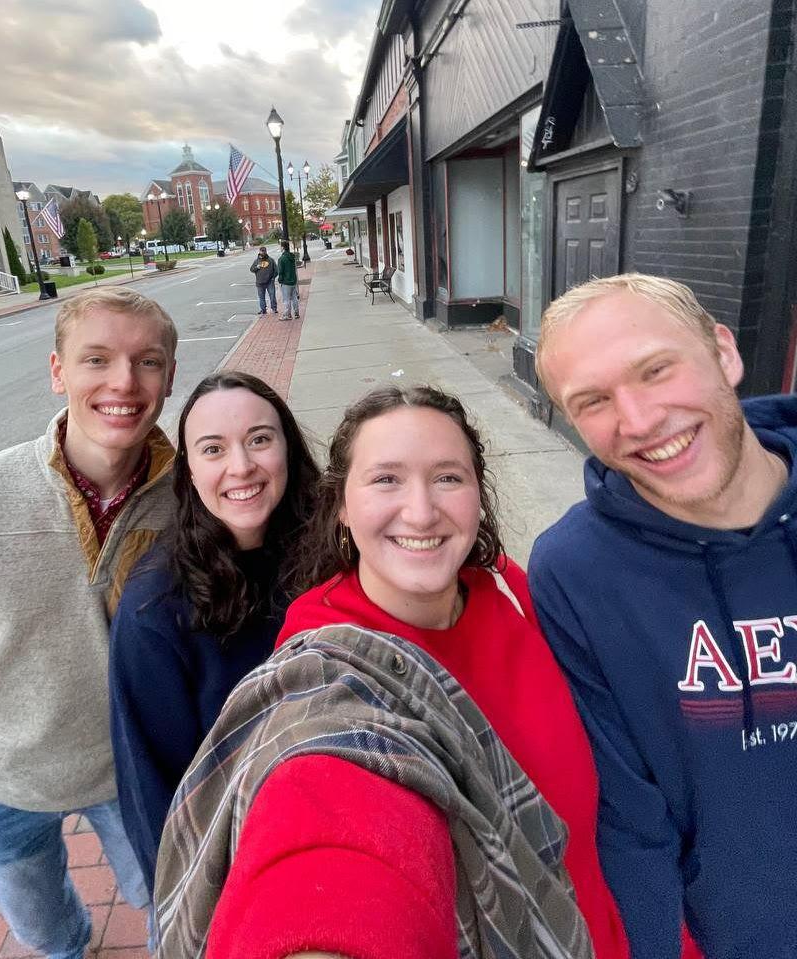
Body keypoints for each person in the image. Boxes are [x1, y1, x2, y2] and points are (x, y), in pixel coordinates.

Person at [153, 385, 626, 959]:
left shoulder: (509, 588)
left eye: (447, 477)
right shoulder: (326, 656)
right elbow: (328, 815)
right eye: (386, 480)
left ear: (478, 494)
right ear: (341, 507)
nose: (421, 511)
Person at [0, 287, 179, 959]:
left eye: (148, 361)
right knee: (47, 932)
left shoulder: (193, 497)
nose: (123, 382)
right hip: (2, 781)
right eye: (96, 359)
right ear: (57, 371)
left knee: (173, 910)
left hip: (136, 774)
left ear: (169, 377)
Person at [528, 273, 797, 959]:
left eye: (655, 370)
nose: (641, 420)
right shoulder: (576, 572)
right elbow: (628, 821)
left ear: (724, 353)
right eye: (593, 401)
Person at [109, 371, 319, 897]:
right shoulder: (156, 605)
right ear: (189, 471)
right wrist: (188, 904)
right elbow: (152, 781)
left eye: (259, 439)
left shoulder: (333, 553)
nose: (241, 466)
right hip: (235, 868)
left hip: (339, 834)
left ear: (288, 448)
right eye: (213, 449)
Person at [250, 245, 277, 315]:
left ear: (266, 252)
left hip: (269, 282)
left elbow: (276, 270)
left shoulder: (271, 260)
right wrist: (256, 267)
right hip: (260, 282)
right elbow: (251, 269)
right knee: (261, 297)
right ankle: (263, 309)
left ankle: (274, 308)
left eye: (264, 252)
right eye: (261, 252)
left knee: (272, 296)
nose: (263, 253)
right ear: (259, 252)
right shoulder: (256, 261)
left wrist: (273, 278)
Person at [277, 240, 300, 320]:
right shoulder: (292, 257)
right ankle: (296, 313)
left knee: (286, 299)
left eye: (280, 246)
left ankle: (287, 315)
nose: (280, 248)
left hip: (286, 282)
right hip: (293, 280)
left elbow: (280, 271)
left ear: (283, 247)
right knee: (294, 298)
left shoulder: (281, 259)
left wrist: (280, 280)